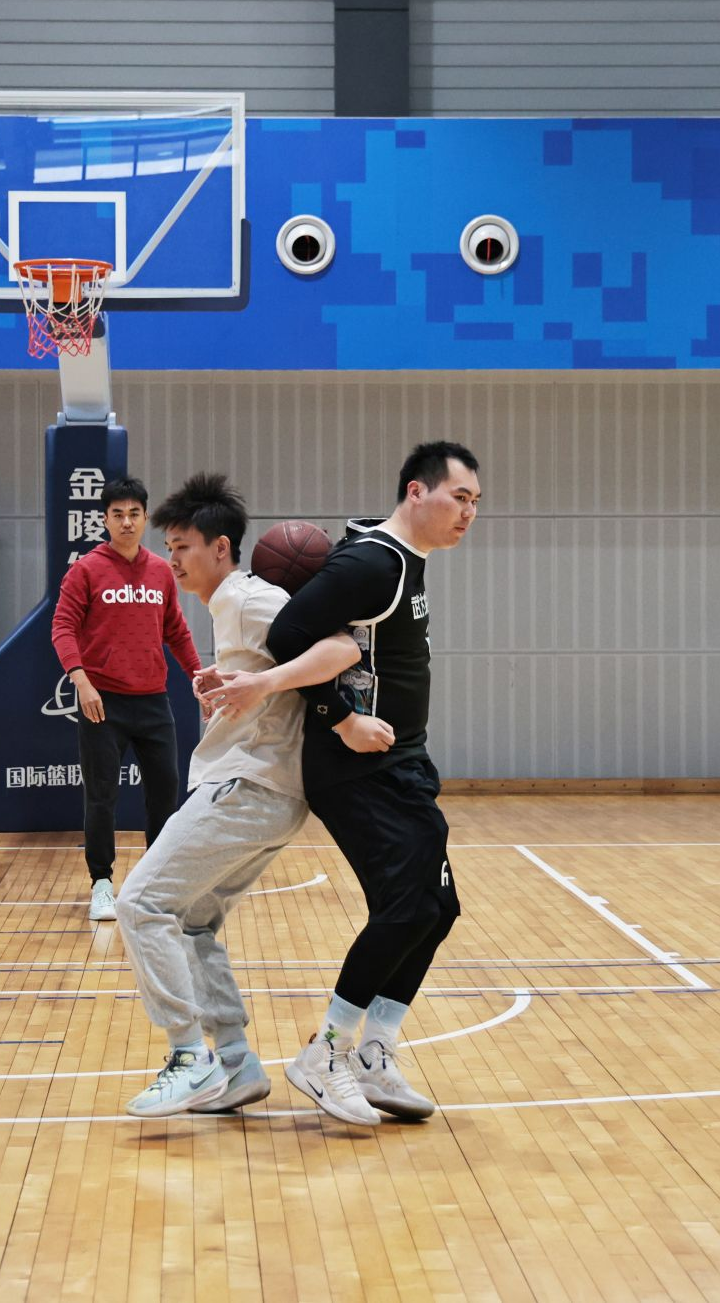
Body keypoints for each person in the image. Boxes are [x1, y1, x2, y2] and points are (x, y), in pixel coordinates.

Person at [203, 441, 481, 1125]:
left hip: (401, 764)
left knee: (436, 908)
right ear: (416, 491)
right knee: (409, 908)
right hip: (360, 769)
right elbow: (291, 632)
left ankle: (375, 1052)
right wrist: (343, 718)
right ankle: (325, 1052)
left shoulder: (401, 560)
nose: (468, 512)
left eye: (476, 501)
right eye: (459, 497)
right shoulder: (373, 563)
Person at [111, 474, 361, 1117]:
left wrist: (269, 686)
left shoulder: (248, 599)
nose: (173, 559)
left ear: (221, 548)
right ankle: (235, 1062)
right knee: (193, 923)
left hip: (248, 786)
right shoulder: (233, 606)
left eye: (183, 547)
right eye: (169, 547)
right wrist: (238, 680)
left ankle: (188, 1058)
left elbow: (341, 647)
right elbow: (285, 670)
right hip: (270, 794)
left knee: (140, 903)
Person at [51, 475, 201, 921]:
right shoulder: (85, 570)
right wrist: (81, 681)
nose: (127, 522)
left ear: (146, 517)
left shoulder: (160, 571)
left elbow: (176, 630)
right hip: (104, 704)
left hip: (153, 701)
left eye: (134, 513)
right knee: (101, 797)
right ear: (105, 520)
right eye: (117, 514)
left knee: (165, 796)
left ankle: (155, 885)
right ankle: (101, 884)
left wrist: (199, 677)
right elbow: (62, 627)